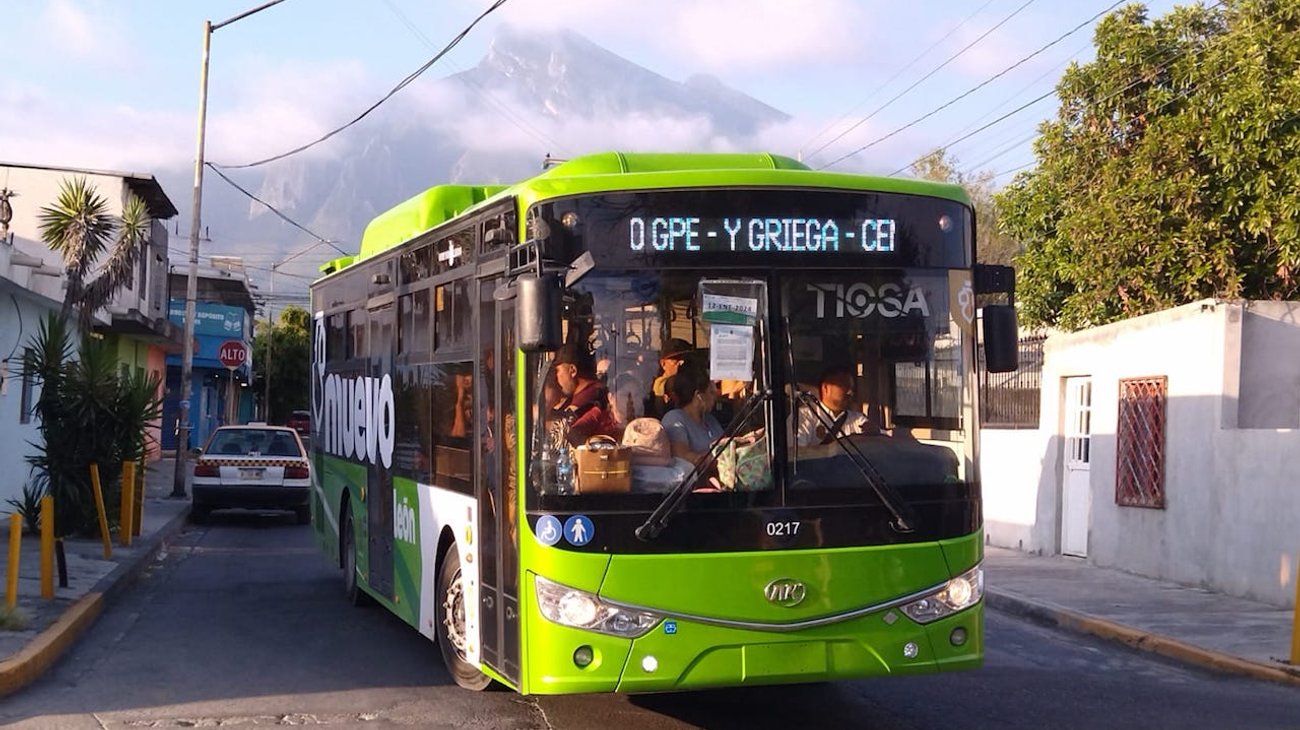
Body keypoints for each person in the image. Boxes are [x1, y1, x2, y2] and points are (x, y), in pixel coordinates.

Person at [796, 367, 877, 446]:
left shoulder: (858, 419)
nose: (850, 392)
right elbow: (797, 453)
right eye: (844, 386)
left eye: (852, 388)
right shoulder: (804, 417)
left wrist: (876, 433)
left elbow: (884, 437)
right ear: (826, 388)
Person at [662, 365, 724, 463]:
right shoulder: (674, 419)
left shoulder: (710, 420)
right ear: (699, 396)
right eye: (711, 392)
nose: (715, 398)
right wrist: (720, 461)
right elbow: (681, 456)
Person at [552, 343, 610, 446]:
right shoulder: (575, 396)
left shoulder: (592, 396)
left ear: (572, 370)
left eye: (557, 371)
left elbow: (563, 430)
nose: (555, 378)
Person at [651, 338, 693, 416]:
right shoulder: (660, 385)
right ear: (663, 363)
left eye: (685, 360)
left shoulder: (694, 381)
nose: (682, 363)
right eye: (676, 359)